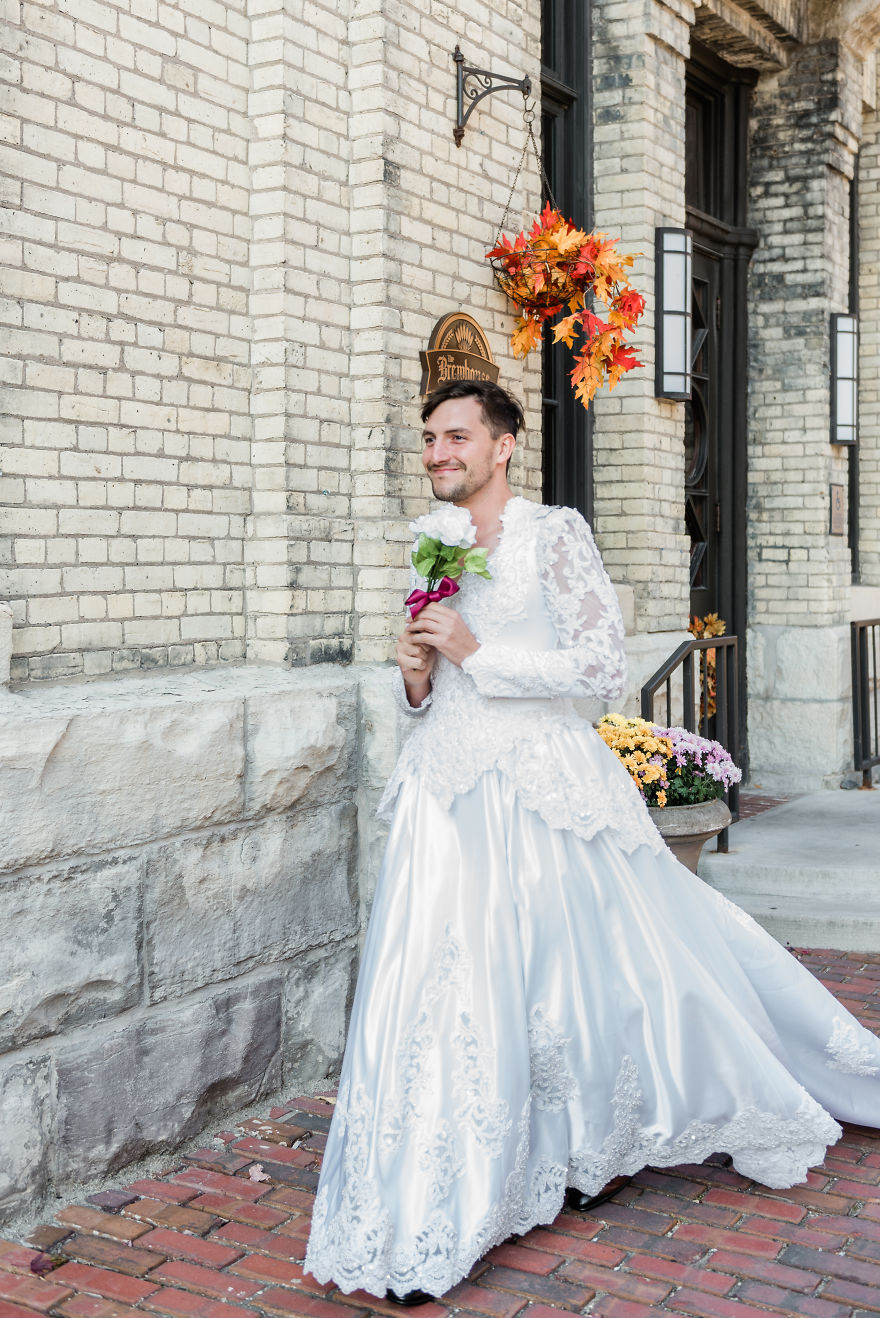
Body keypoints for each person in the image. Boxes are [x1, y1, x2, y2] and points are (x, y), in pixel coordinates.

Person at [304, 379, 880, 1304]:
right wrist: (414, 677)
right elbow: (429, 700)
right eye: (428, 438)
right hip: (446, 798)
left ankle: (593, 1135)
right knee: (453, 983)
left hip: (540, 789)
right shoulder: (432, 542)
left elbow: (602, 667)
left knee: (590, 967)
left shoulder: (552, 533)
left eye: (456, 436)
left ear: (503, 448)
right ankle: (456, 1166)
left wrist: (474, 653)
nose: (438, 452)